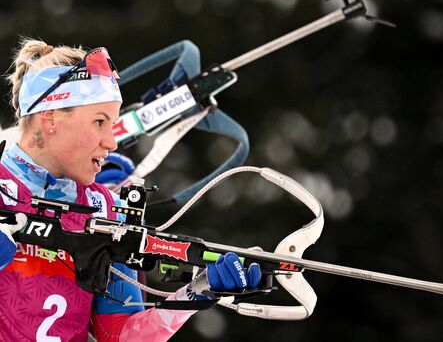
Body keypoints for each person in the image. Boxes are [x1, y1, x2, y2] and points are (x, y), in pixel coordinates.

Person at [0, 38, 261, 341]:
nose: (111, 142)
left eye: (112, 124)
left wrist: (196, 293)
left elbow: (120, 334)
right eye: (100, 122)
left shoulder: (104, 208)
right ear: (50, 119)